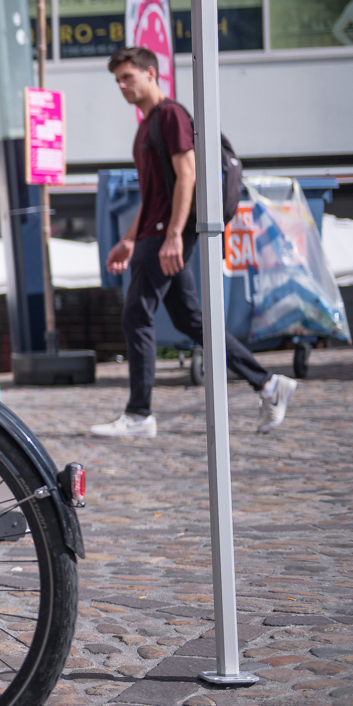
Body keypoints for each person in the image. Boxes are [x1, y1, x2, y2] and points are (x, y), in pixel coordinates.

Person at [91, 46, 293, 438]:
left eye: (127, 76)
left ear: (152, 73)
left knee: (136, 315)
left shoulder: (170, 115)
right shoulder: (145, 126)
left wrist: (173, 237)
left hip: (165, 236)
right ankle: (269, 384)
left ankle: (139, 415)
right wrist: (129, 240)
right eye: (117, 80)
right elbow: (151, 195)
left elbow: (188, 175)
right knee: (192, 322)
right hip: (152, 235)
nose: (122, 85)